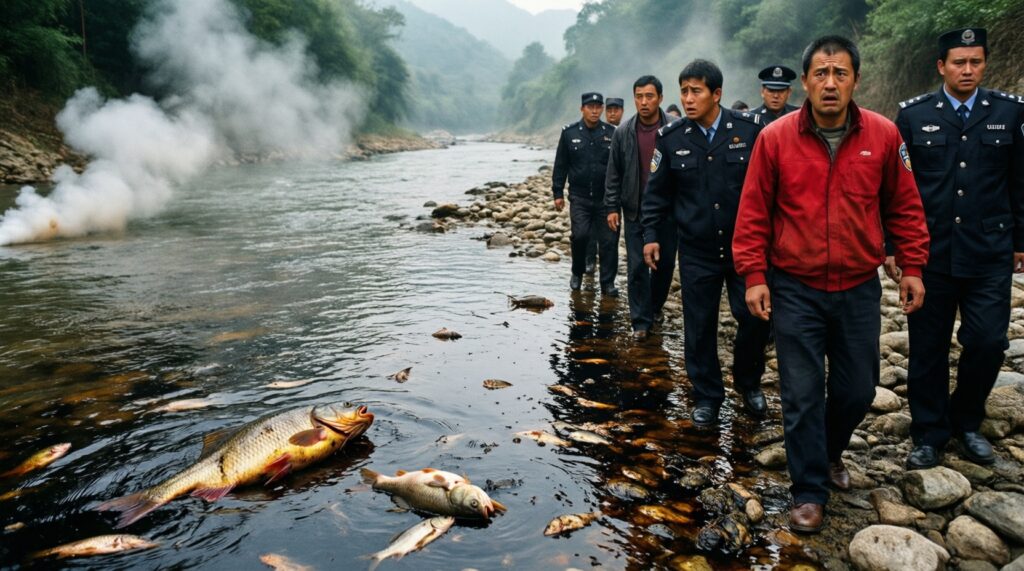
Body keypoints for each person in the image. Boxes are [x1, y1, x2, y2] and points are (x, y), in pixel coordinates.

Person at [733, 36, 930, 533]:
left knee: (858, 390)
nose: (829, 83)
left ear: (856, 80)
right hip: (795, 287)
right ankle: (808, 490)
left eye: (840, 73)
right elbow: (753, 212)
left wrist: (912, 265)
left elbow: (904, 205)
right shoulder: (775, 138)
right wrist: (754, 275)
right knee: (801, 393)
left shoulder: (883, 135)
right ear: (804, 81)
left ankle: (829, 450)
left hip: (858, 287)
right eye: (820, 73)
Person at [892, 28, 1024, 470]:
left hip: (990, 250)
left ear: (984, 63)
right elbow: (898, 188)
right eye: (959, 62)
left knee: (988, 341)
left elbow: (1020, 181)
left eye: (975, 62)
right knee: (927, 347)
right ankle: (929, 432)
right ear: (941, 66)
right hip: (930, 252)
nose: (968, 70)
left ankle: (967, 421)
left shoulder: (1009, 112)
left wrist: (1021, 241)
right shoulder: (913, 115)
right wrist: (895, 247)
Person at [641, 59, 770, 425]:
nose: (687, 98)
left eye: (695, 91)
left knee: (755, 318)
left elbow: (767, 188)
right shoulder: (672, 137)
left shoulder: (749, 131)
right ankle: (707, 395)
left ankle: (748, 381)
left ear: (717, 94)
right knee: (699, 325)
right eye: (683, 91)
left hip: (744, 248)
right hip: (697, 250)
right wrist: (651, 235)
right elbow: (656, 194)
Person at [605, 76, 675, 341]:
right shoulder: (623, 132)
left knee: (664, 265)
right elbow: (614, 174)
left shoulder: (675, 128)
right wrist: (611, 206)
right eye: (639, 96)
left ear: (660, 98)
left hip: (667, 211)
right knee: (636, 267)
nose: (644, 102)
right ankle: (641, 321)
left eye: (649, 96)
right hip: (634, 209)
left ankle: (654, 307)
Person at [552, 92, 619, 294]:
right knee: (580, 236)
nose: (595, 111)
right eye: (590, 107)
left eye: (598, 107)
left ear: (602, 109)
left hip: (606, 198)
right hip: (579, 197)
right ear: (582, 109)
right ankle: (577, 272)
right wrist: (557, 193)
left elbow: (618, 167)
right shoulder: (569, 133)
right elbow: (561, 164)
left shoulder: (611, 133)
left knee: (609, 241)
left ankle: (607, 283)